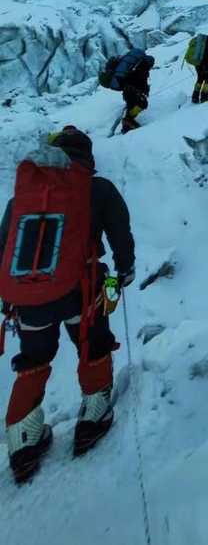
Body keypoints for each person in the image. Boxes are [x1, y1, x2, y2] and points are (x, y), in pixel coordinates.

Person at [0, 127, 135, 482]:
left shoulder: (24, 197)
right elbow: (120, 233)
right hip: (83, 291)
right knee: (94, 346)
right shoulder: (97, 188)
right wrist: (124, 270)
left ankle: (23, 441)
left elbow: (5, 248)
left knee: (33, 360)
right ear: (88, 156)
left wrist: (10, 297)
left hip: (29, 301)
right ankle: (93, 416)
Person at [121, 53, 155, 134]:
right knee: (142, 104)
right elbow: (141, 83)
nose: (151, 66)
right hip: (132, 92)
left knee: (131, 106)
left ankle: (126, 125)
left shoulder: (136, 68)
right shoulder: (143, 70)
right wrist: (146, 90)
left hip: (127, 92)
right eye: (151, 64)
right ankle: (128, 120)